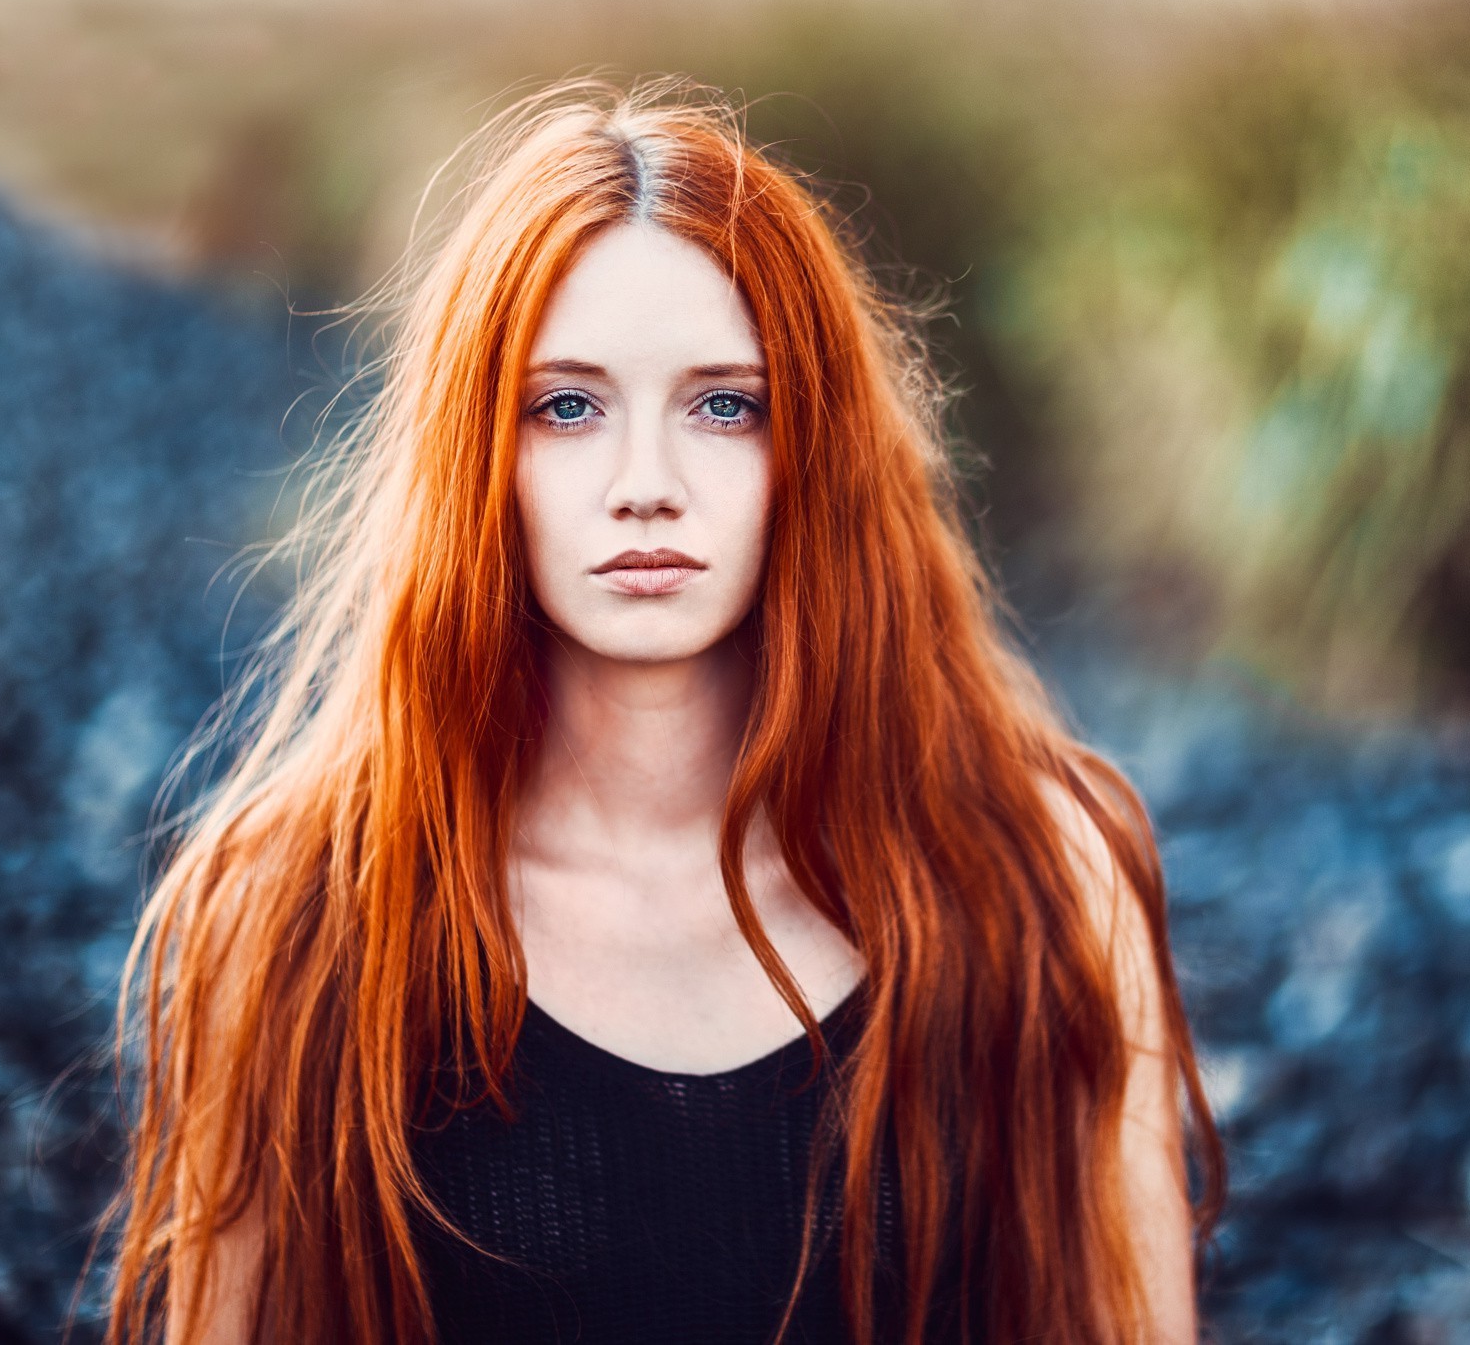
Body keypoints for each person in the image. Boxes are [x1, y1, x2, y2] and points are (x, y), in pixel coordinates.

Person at [103, 79, 1223, 1345]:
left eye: (723, 404)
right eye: (566, 406)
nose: (646, 487)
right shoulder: (300, 909)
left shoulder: (1040, 881)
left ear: (815, 449)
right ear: (481, 455)